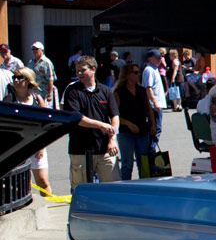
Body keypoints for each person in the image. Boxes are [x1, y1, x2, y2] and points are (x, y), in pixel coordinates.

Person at [63, 55, 119, 188]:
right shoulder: (72, 91)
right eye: (77, 71)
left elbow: (115, 116)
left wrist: (112, 139)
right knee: (82, 189)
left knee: (114, 186)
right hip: (80, 149)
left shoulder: (105, 90)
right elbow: (77, 118)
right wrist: (101, 125)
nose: (79, 74)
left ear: (93, 69)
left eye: (83, 70)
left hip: (104, 148)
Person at [4, 67, 51, 192]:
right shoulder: (9, 100)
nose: (16, 80)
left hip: (36, 146)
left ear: (28, 80)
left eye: (19, 77)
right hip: (17, 148)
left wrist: (41, 146)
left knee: (43, 182)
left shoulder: (37, 99)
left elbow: (45, 124)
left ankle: (48, 207)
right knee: (19, 186)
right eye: (14, 78)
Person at [113, 63, 153, 180]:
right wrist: (128, 124)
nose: (138, 74)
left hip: (143, 130)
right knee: (127, 163)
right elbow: (114, 114)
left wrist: (153, 125)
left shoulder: (141, 90)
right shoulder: (118, 92)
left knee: (143, 162)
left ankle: (145, 185)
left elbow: (148, 109)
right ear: (127, 75)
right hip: (126, 132)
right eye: (135, 72)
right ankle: (125, 187)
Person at [141, 48, 167, 151]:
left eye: (160, 58)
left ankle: (152, 149)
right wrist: (155, 102)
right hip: (154, 105)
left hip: (158, 103)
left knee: (156, 128)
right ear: (149, 58)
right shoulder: (149, 70)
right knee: (156, 128)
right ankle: (151, 150)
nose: (159, 59)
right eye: (156, 58)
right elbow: (148, 87)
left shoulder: (154, 69)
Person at [28, 41, 57, 108]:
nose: (35, 51)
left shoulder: (47, 63)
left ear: (42, 50)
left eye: (37, 49)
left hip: (43, 93)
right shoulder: (30, 62)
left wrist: (49, 94)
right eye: (33, 49)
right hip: (33, 93)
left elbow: (50, 79)